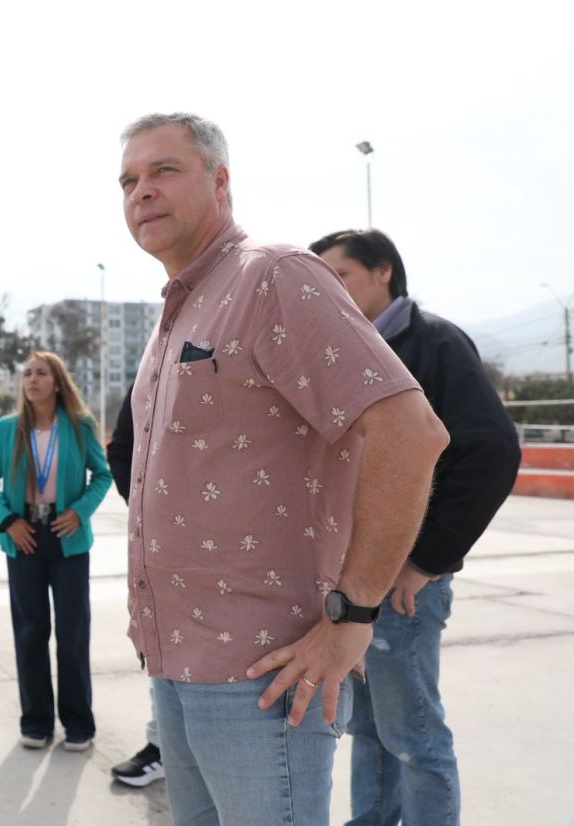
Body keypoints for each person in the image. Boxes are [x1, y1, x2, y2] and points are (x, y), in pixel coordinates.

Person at [118, 112, 449, 825]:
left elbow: (409, 432)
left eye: (164, 170)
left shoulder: (272, 276)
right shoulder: (178, 310)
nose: (141, 191)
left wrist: (353, 614)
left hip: (262, 674)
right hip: (174, 662)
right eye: (129, 180)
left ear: (220, 181)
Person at [310, 228, 521, 825]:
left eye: (340, 276)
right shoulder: (344, 350)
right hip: (353, 580)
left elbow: (491, 451)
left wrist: (426, 559)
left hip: (404, 585)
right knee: (370, 731)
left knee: (414, 738)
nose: (330, 293)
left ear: (384, 272)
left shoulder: (434, 343)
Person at [0, 351, 112, 752]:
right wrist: (8, 521)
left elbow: (102, 475)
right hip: (23, 536)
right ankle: (35, 722)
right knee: (30, 631)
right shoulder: (7, 428)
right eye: (27, 374)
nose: (32, 379)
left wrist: (79, 511)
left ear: (57, 383)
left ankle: (78, 724)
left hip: (66, 533)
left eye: (41, 373)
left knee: (73, 633)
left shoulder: (79, 425)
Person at [106, 383, 165, 787]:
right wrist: (149, 507)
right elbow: (120, 448)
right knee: (161, 648)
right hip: (162, 544)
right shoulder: (155, 367)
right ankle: (162, 748)